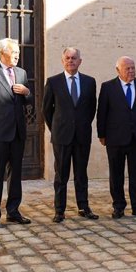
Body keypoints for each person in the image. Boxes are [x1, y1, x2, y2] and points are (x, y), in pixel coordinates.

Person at [0, 38, 33, 228]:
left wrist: (27, 92)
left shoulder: (22, 73)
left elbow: (28, 101)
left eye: (18, 52)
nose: (17, 55)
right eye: (14, 52)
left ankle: (13, 211)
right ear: (3, 53)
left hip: (18, 133)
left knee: (15, 174)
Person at [42, 47, 98, 223]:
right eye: (67, 58)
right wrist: (57, 128)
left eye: (74, 58)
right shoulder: (53, 82)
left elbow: (91, 109)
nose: (71, 61)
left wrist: (81, 125)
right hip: (62, 136)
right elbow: (46, 110)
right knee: (61, 174)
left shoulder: (90, 82)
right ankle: (60, 210)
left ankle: (83, 207)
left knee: (81, 174)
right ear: (62, 60)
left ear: (80, 61)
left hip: (82, 135)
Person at [97, 56, 136, 219]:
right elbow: (102, 112)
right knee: (116, 174)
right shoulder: (108, 87)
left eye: (133, 68)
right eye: (127, 68)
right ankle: (119, 206)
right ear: (118, 70)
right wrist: (102, 134)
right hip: (115, 138)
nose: (131, 71)